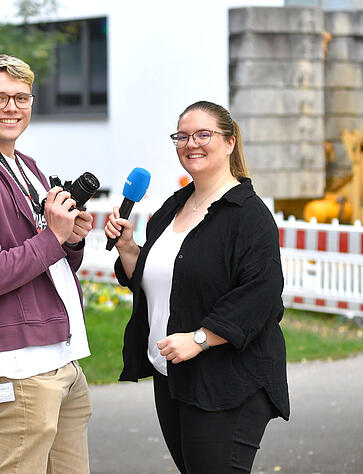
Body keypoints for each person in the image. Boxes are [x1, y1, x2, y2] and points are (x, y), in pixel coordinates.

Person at [104, 100, 290, 473]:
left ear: (229, 142)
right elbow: (158, 280)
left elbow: (262, 294)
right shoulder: (174, 207)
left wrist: (201, 338)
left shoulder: (248, 215)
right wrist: (128, 249)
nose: (192, 144)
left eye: (204, 134)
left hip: (227, 381)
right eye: (183, 136)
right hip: (173, 375)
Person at [0, 54, 95, 473]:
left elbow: (44, 258)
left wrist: (71, 239)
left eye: (21, 97)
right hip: (19, 365)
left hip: (59, 357)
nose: (12, 108)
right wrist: (53, 237)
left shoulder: (26, 167)